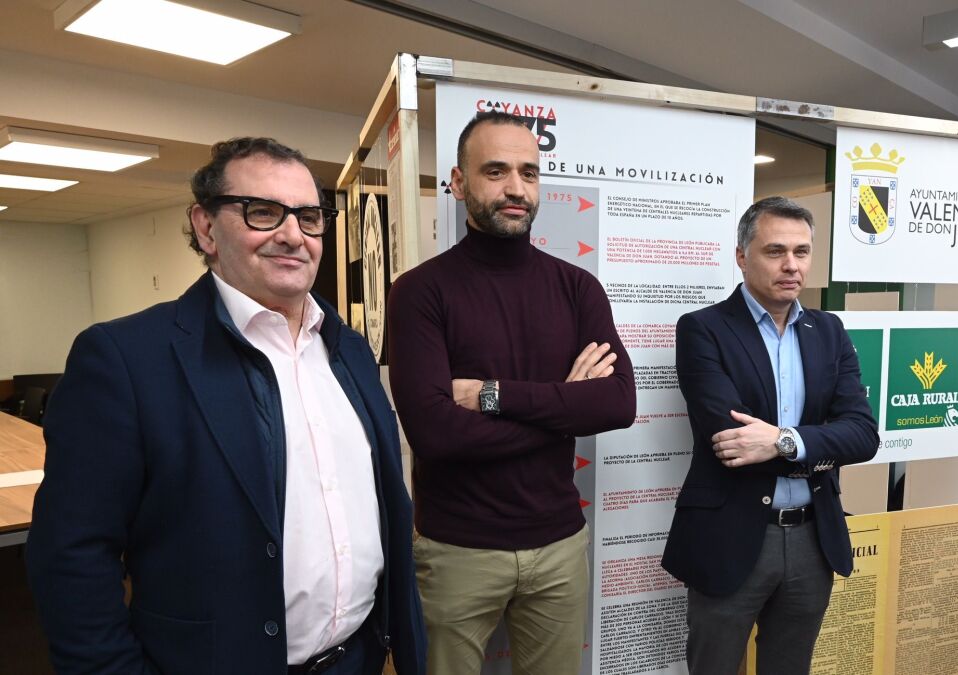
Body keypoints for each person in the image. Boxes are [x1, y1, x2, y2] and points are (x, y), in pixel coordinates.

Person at [26, 138, 425, 675]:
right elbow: (72, 556)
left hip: (359, 658)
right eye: (263, 212)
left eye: (309, 217)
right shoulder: (127, 359)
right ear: (207, 228)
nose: (293, 235)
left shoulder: (349, 349)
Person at [386, 111, 636, 674]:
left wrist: (493, 396)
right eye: (495, 171)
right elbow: (435, 434)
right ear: (458, 182)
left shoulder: (578, 288)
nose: (516, 188)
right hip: (456, 551)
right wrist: (565, 405)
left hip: (559, 546)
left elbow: (619, 403)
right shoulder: (420, 293)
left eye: (529, 172)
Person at [661, 196, 879, 675]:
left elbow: (863, 435)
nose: (791, 265)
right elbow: (732, 441)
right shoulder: (703, 329)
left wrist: (783, 441)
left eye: (802, 252)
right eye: (775, 251)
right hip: (732, 536)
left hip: (812, 538)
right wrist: (820, 440)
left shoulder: (829, 330)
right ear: (742, 256)